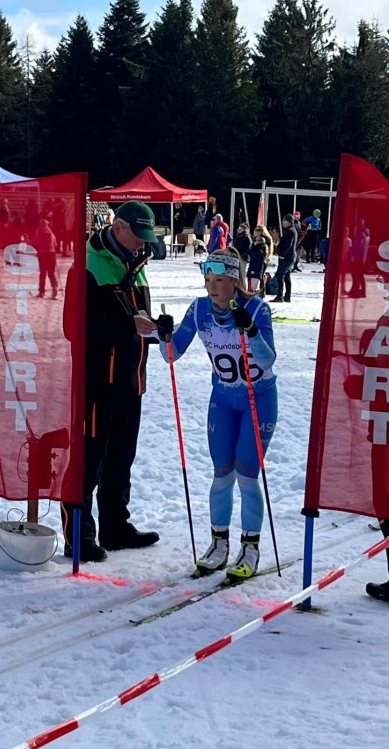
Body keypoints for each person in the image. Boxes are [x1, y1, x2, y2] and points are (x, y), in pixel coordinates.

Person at [156, 248, 277, 580]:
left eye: (219, 280)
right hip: (223, 400)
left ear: (234, 281)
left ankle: (250, 548)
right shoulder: (199, 310)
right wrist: (163, 334)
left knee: (247, 475)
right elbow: (171, 354)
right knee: (222, 474)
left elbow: (267, 360)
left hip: (258, 399)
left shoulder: (257, 308)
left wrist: (251, 330)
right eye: (208, 279)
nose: (212, 287)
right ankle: (218, 544)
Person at [61, 200, 160, 562]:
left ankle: (115, 527)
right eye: (138, 234)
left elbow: (137, 316)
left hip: (131, 380)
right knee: (88, 461)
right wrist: (127, 325)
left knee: (121, 459)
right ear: (118, 227)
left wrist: (156, 328)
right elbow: (73, 328)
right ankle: (78, 536)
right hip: (97, 383)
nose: (142, 242)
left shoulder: (138, 262)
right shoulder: (88, 263)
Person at [271, 214, 298, 303]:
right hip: (290, 256)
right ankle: (287, 296)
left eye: (284, 220)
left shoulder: (290, 231)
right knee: (287, 276)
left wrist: (282, 254)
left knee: (280, 275)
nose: (283, 222)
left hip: (287, 257)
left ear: (289, 222)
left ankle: (280, 296)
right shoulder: (292, 230)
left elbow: (288, 245)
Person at [32, 218, 59, 299]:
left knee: (43, 273)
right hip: (52, 254)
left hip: (43, 254)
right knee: (51, 273)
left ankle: (42, 292)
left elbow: (34, 242)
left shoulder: (39, 232)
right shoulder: (51, 233)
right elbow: (55, 244)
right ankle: (54, 287)